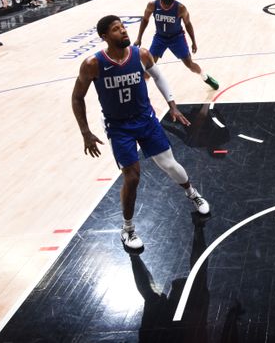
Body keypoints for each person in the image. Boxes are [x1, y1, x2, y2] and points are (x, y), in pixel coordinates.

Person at [72, 15, 210, 251]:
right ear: (105, 36)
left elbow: (159, 77)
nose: (123, 32)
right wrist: (85, 131)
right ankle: (127, 229)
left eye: (123, 27)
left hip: (145, 119)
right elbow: (77, 97)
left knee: (170, 165)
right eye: (116, 29)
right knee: (132, 176)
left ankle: (191, 192)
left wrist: (172, 106)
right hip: (118, 126)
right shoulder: (92, 64)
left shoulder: (141, 54)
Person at [134, 0, 219, 90]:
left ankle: (205, 77)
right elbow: (145, 20)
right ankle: (142, 92)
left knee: (189, 64)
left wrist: (194, 41)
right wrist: (139, 37)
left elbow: (188, 24)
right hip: (160, 38)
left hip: (177, 38)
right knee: (150, 65)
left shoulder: (180, 8)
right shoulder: (153, 5)